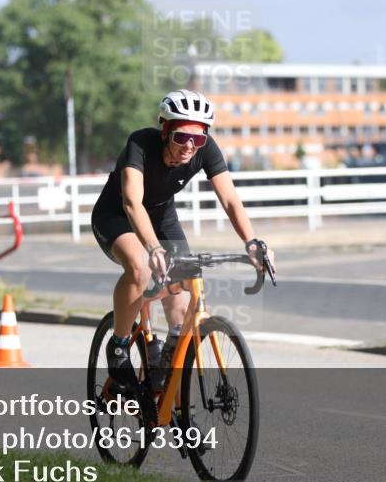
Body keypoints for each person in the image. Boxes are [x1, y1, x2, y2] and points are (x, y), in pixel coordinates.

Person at [91, 89, 275, 388]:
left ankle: (166, 367)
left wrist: (252, 242)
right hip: (117, 216)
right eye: (181, 137)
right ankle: (120, 345)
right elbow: (132, 203)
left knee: (186, 286)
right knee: (140, 267)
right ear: (165, 130)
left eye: (198, 139)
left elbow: (230, 200)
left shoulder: (205, 148)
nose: (190, 146)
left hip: (162, 217)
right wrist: (152, 248)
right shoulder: (140, 143)